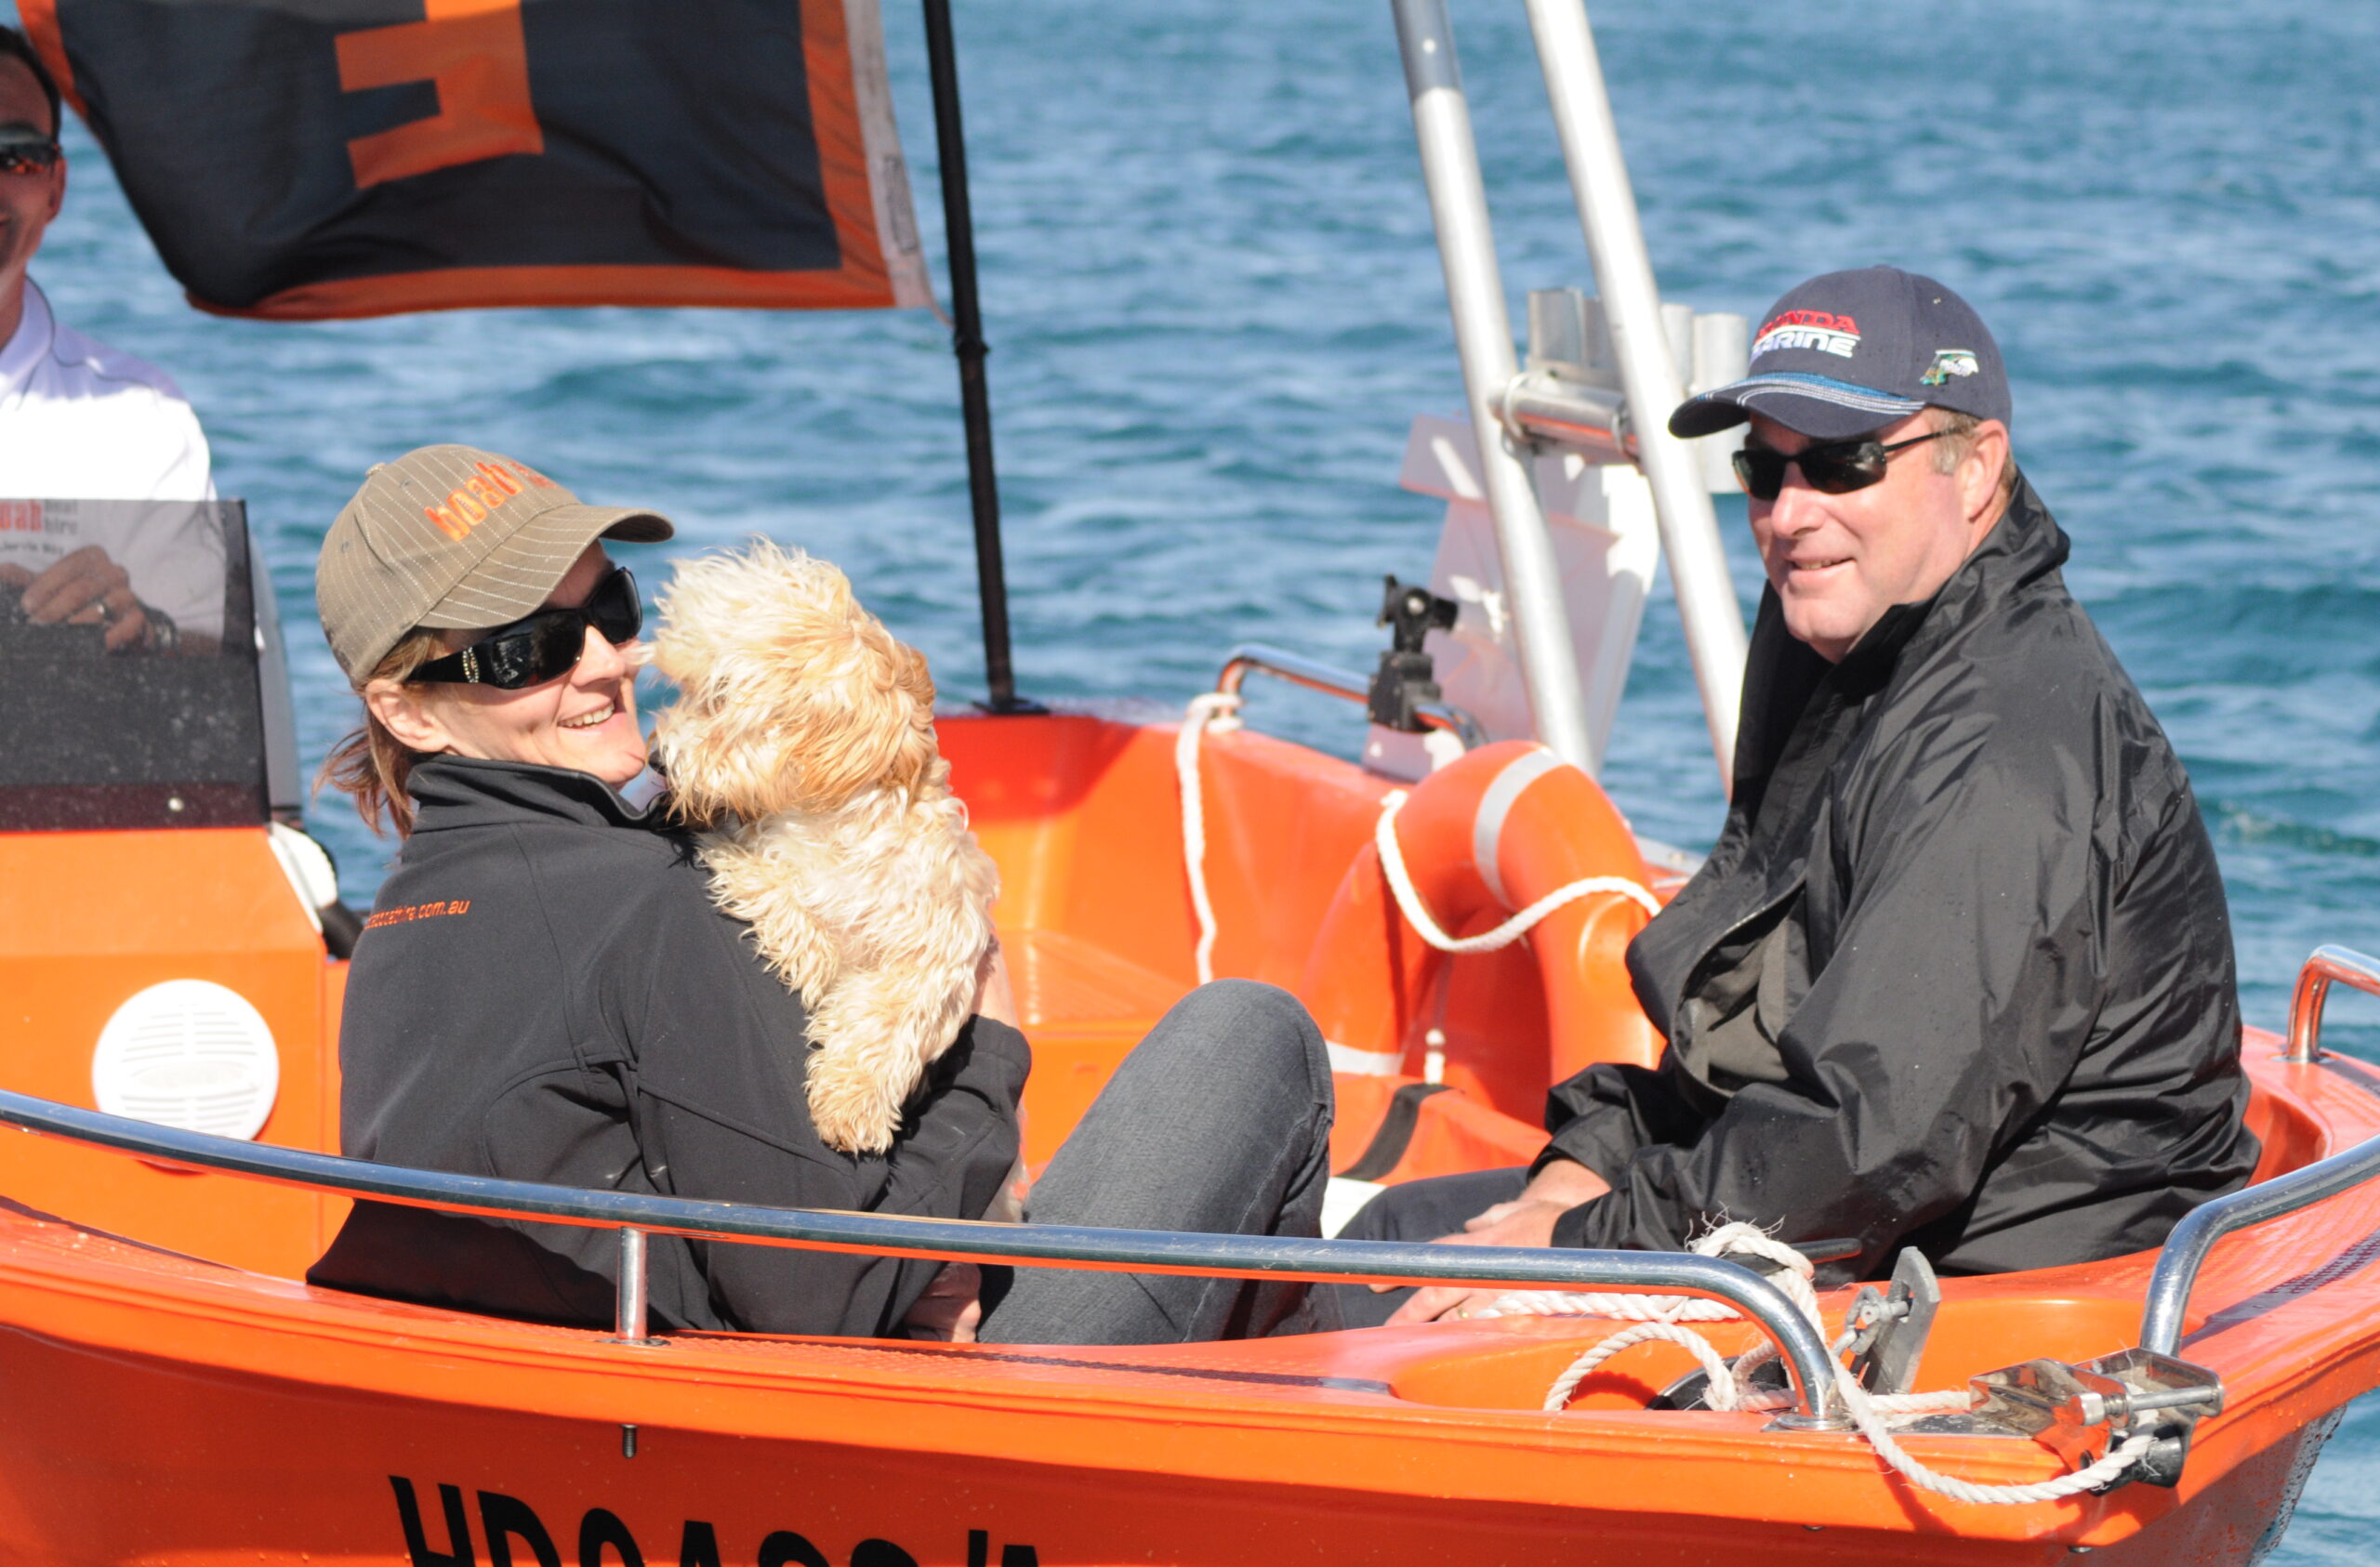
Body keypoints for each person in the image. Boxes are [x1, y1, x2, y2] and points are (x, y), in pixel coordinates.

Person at [1338, 267, 2257, 1323]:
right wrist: (1583, 1166)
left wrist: (1576, 1246)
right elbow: (1768, 1034)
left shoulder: (2004, 744)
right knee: (1389, 1236)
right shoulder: (1854, 644)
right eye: (1761, 473)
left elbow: (1873, 1136)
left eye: (1839, 461)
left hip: (1981, 1296)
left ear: (1975, 470)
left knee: (1387, 1309)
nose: (1789, 514)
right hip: (1843, 1216)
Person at [304, 445, 1335, 1344]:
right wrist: (990, 1047)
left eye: (610, 608)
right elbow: (818, 1288)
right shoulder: (646, 899)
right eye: (530, 647)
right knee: (1251, 1033)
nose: (611, 660)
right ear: (411, 713)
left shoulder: (401, 923)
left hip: (594, 1409)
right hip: (875, 1430)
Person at [0, 25, 220, 653]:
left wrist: (144, 630)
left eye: (12, 154)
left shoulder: (140, 418)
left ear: (55, 188)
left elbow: (213, 670)